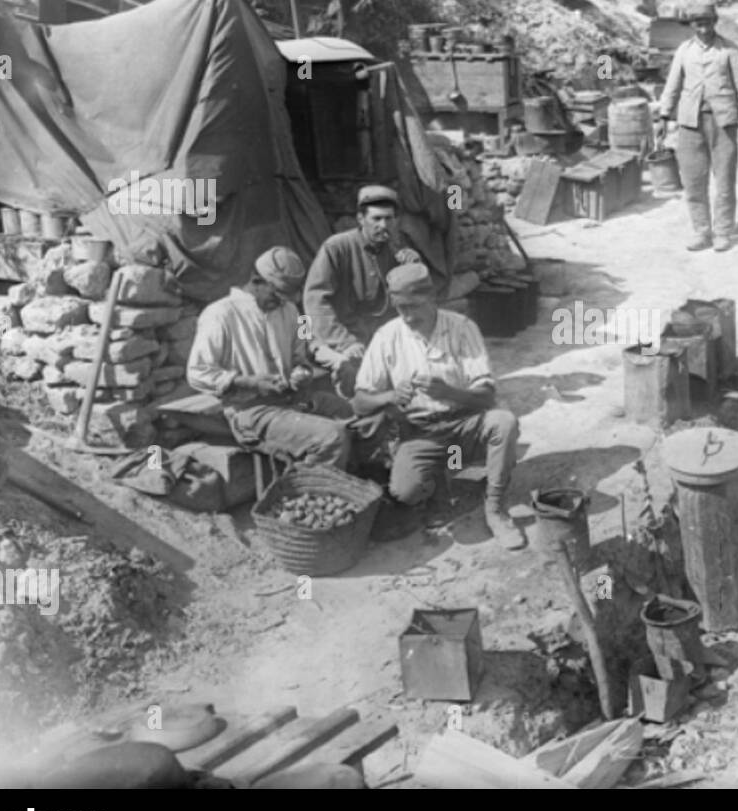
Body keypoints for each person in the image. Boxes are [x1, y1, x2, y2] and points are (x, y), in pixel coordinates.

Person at [352, 263, 525, 549]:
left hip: (465, 423)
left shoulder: (461, 328)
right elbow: (359, 402)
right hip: (420, 431)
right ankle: (442, 486)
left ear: (432, 298)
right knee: (405, 492)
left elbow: (486, 396)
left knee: (504, 423)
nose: (407, 316)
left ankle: (495, 509)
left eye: (413, 306)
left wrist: (449, 392)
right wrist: (390, 397)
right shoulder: (387, 336)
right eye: (400, 308)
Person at [187, 247, 352, 468]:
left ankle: (343, 483)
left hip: (291, 400)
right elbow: (197, 371)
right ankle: (306, 491)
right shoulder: (220, 313)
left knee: (350, 413)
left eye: (287, 296)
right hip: (251, 412)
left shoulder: (290, 310)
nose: (282, 301)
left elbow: (300, 355)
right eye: (276, 294)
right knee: (333, 436)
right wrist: (248, 382)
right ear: (257, 281)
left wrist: (301, 372)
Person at [303, 185, 424, 397]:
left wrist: (413, 269)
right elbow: (315, 302)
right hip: (336, 336)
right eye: (376, 219)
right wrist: (345, 342)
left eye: (389, 219)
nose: (383, 225)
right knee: (354, 380)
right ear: (360, 219)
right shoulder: (337, 247)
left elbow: (412, 298)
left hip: (375, 336)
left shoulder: (395, 249)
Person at [658, 0, 738, 253]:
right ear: (692, 25)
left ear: (715, 22)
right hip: (690, 124)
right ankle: (702, 231)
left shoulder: (730, 50)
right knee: (693, 181)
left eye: (708, 23)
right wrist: (664, 115)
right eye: (698, 24)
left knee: (724, 181)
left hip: (723, 122)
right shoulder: (684, 51)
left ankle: (722, 232)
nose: (703, 29)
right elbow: (672, 85)